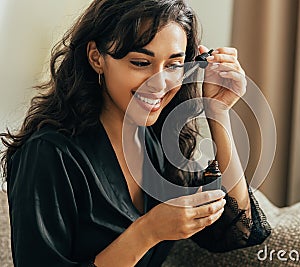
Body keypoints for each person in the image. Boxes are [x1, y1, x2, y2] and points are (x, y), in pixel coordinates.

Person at [0, 0, 271, 266]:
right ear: (96, 57)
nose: (160, 83)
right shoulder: (48, 154)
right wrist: (147, 232)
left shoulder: (158, 143)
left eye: (175, 65)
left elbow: (239, 232)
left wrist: (218, 110)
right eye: (141, 63)